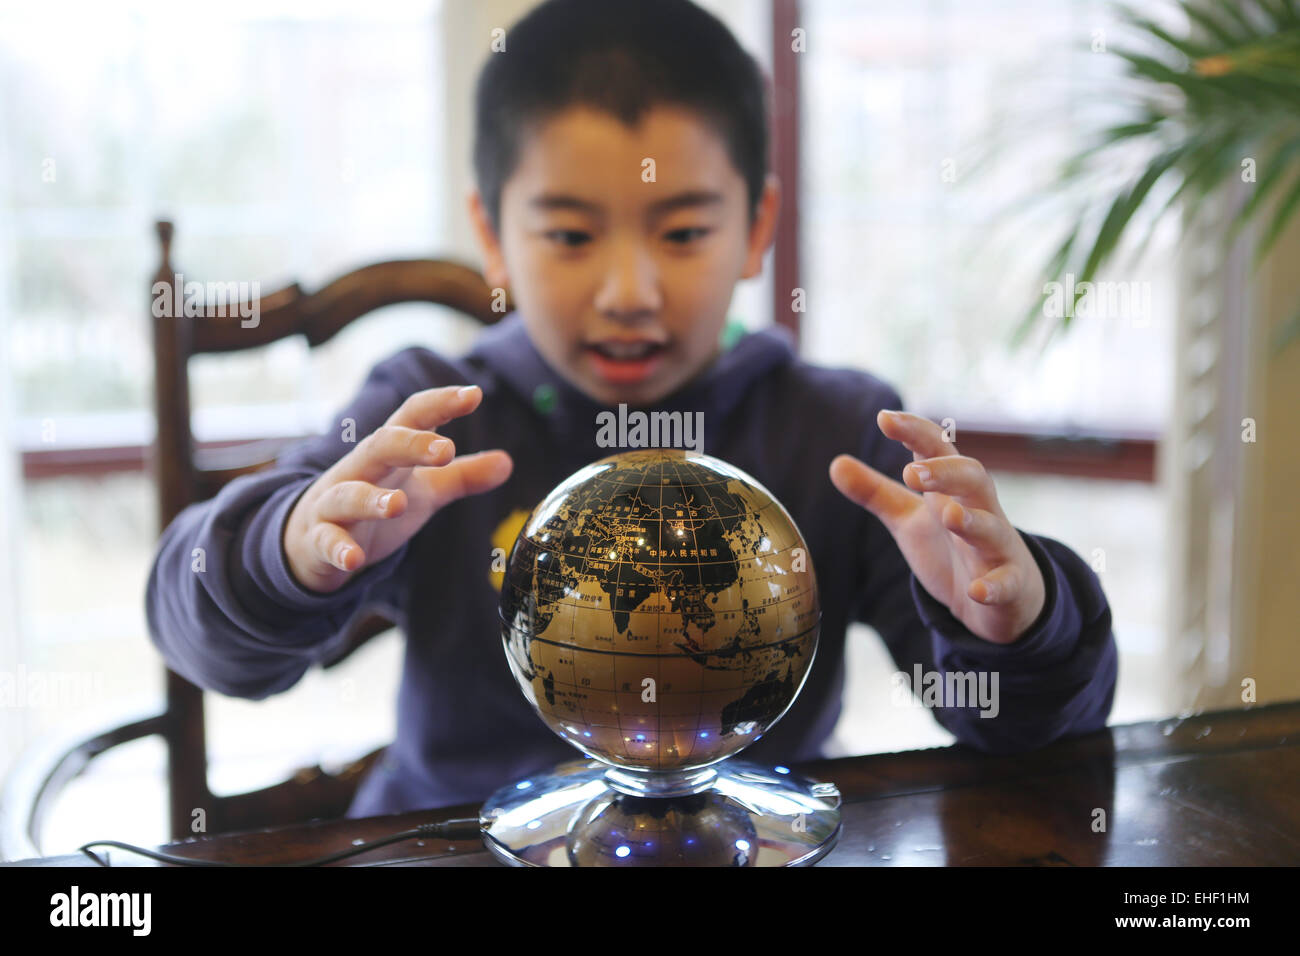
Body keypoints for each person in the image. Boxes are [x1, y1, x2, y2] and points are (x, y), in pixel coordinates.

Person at [145, 0, 1117, 819]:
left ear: (756, 228)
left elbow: (1029, 734)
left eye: (683, 229)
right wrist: (290, 551)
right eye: (569, 232)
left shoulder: (838, 434)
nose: (629, 289)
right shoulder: (427, 419)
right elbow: (199, 634)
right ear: (491, 234)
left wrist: (1016, 626)